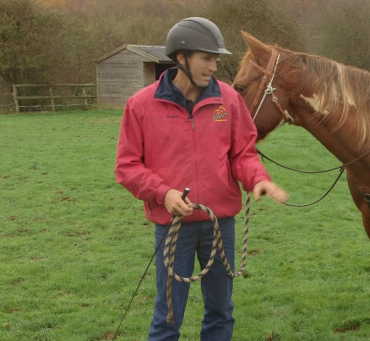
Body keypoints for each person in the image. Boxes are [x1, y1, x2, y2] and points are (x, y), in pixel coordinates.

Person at [115, 17, 288, 341]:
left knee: (221, 313)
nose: (214, 66)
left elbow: (243, 154)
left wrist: (257, 179)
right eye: (206, 58)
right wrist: (163, 193)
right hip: (173, 227)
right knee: (168, 317)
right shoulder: (141, 106)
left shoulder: (228, 100)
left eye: (216, 59)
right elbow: (127, 166)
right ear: (181, 58)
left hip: (219, 225)